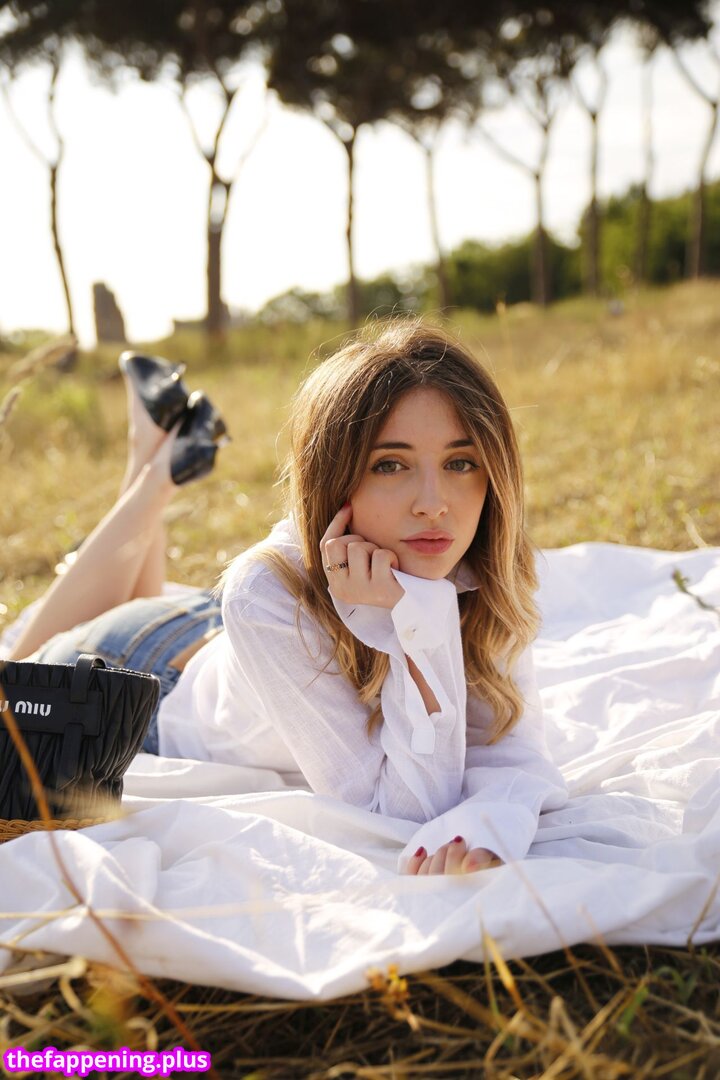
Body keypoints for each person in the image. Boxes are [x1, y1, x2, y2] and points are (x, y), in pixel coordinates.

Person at [4, 318, 568, 876]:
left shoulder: (481, 564)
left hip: (214, 631)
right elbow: (399, 814)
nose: (433, 503)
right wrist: (418, 619)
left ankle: (156, 445)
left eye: (459, 462)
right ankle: (157, 469)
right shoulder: (265, 591)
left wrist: (497, 817)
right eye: (390, 464)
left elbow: (512, 749)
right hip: (145, 679)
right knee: (14, 671)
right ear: (335, 476)